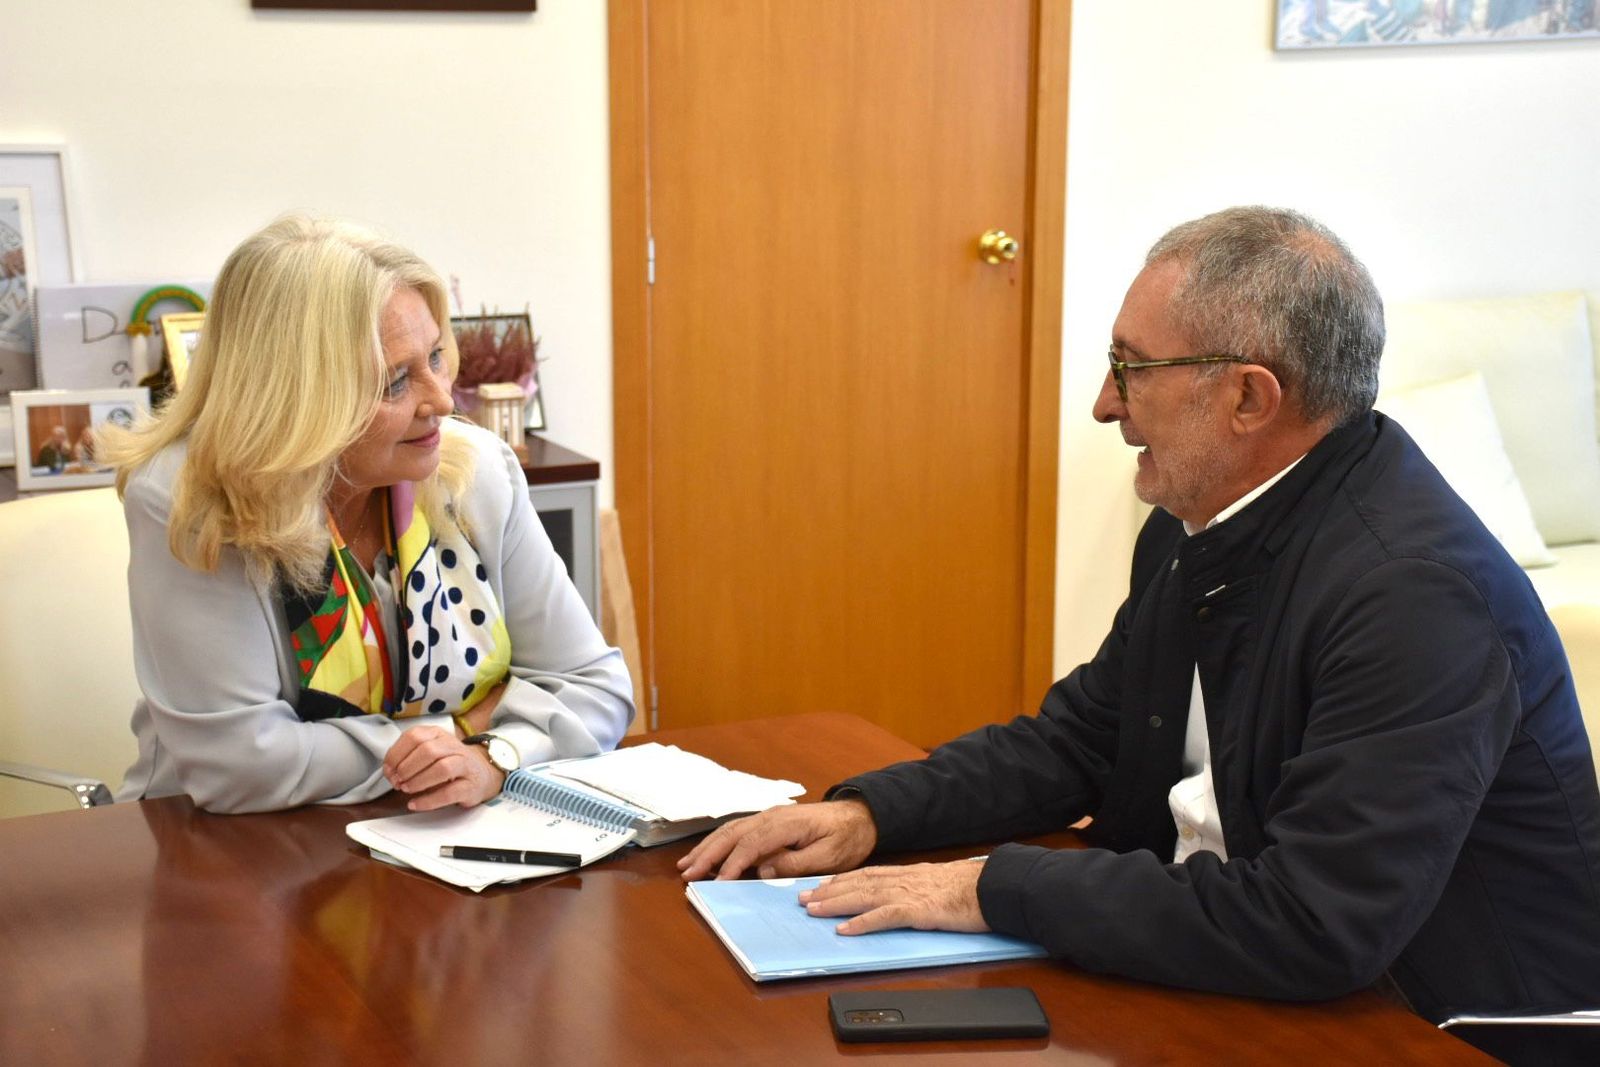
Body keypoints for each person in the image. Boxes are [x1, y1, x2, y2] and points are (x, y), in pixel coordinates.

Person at [682, 207, 1600, 1054]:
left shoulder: (1415, 597)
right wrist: (872, 813)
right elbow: (1082, 740)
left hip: (1438, 1023)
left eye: (1132, 368)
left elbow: (1316, 921)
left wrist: (987, 884)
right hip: (1244, 967)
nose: (1104, 402)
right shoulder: (1195, 524)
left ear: (1249, 398)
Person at [103, 215, 633, 814]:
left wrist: (496, 754)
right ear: (297, 397)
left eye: (436, 357)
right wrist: (464, 732)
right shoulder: (196, 500)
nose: (441, 401)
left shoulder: (474, 470)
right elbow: (241, 765)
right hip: (219, 844)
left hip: (426, 835)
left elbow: (596, 689)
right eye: (395, 382)